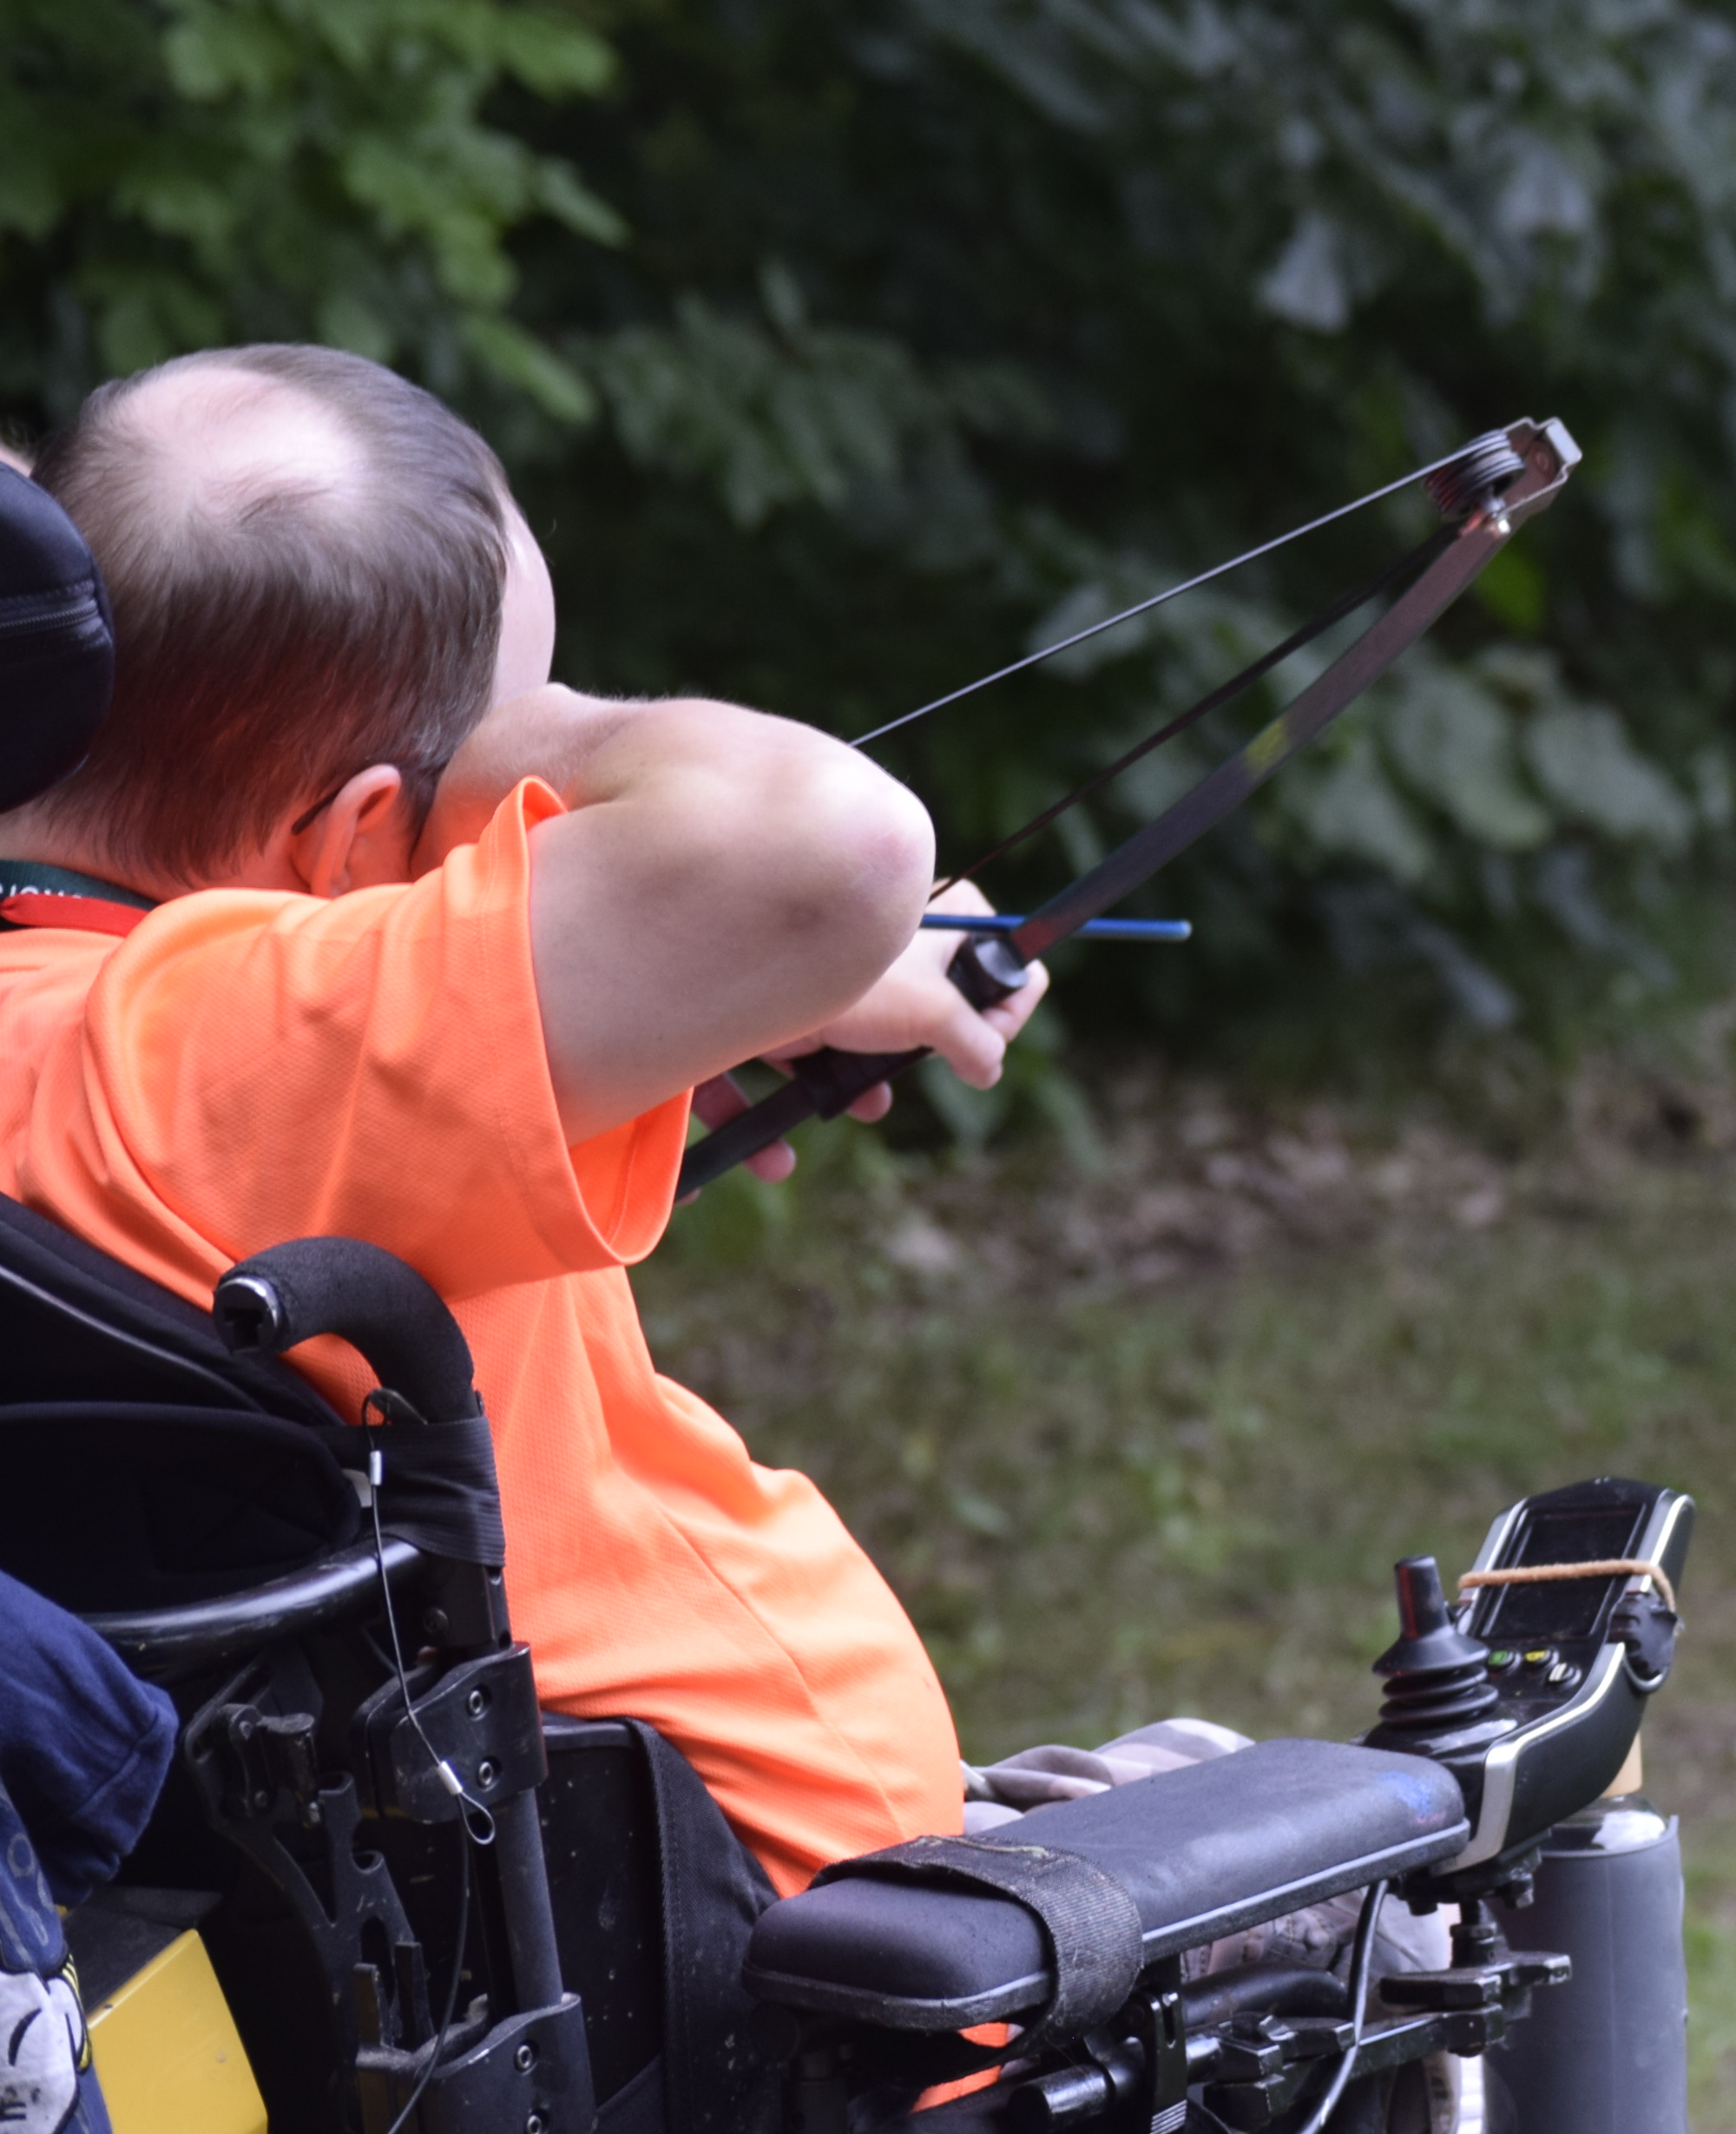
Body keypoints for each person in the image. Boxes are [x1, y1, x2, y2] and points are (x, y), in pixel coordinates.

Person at [0, 345, 1042, 1894]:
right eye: (491, 777)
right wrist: (523, 760)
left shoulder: (143, 1058)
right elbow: (829, 843)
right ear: (361, 837)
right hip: (814, 1979)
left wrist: (680, 998)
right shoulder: (208, 1050)